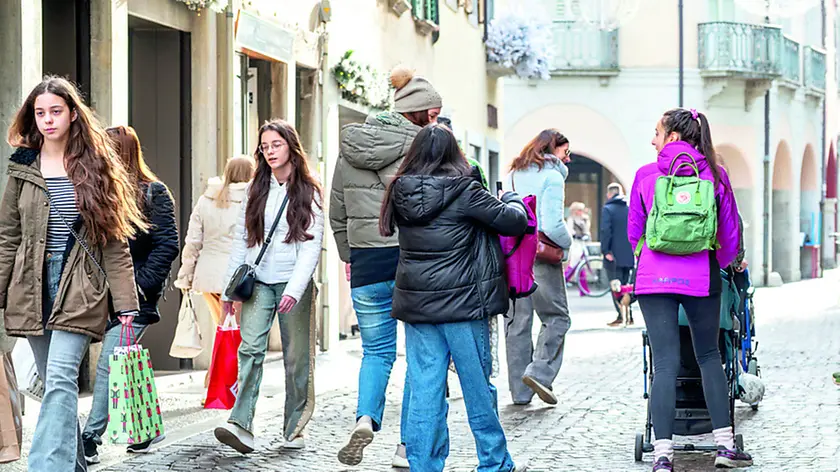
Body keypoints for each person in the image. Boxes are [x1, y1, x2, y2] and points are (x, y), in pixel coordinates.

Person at [0, 77, 144, 472]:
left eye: (55, 111)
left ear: (73, 114)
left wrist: (126, 301)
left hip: (81, 286)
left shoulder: (95, 167)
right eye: (40, 113)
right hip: (32, 287)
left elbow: (115, 243)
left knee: (62, 379)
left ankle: (46, 468)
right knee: (54, 388)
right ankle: (75, 465)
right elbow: (7, 237)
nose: (47, 120)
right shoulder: (22, 167)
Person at [380, 123, 529, 472]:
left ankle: (425, 464)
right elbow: (514, 222)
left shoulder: (399, 191)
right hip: (464, 305)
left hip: (418, 307)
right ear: (454, 154)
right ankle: (493, 462)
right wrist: (512, 197)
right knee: (477, 387)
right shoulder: (466, 191)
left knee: (425, 389)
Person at [330, 66, 442, 468]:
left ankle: (364, 418)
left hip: (365, 262)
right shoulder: (425, 147)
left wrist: (351, 255)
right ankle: (407, 447)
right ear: (423, 114)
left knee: (375, 352)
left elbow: (337, 212)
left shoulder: (350, 147)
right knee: (421, 356)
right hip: (411, 261)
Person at [628, 108, 752, 471]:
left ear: (674, 137)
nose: (652, 140)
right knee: (710, 357)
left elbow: (635, 233)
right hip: (701, 277)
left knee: (664, 363)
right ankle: (725, 447)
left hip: (653, 279)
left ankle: (663, 454)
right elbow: (730, 236)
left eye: (657, 132)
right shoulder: (716, 175)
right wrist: (723, 261)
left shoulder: (645, 175)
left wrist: (650, 258)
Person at [214, 119, 323, 454]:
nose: (270, 151)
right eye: (265, 146)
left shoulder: (309, 190)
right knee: (250, 349)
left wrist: (294, 288)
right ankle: (241, 423)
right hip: (258, 281)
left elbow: (311, 245)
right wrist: (229, 292)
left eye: (276, 144)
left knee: (296, 358)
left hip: (294, 284)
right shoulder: (254, 188)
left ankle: (295, 427)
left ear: (291, 146)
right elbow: (241, 242)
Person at [82, 125, 180, 463]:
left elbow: (168, 245)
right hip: (99, 297)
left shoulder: (154, 192)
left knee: (111, 362)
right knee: (124, 362)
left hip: (136, 297)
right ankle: (146, 430)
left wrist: (140, 285)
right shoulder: (101, 193)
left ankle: (89, 438)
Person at [502, 129, 573, 406]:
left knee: (517, 323)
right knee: (557, 317)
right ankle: (539, 373)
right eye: (565, 153)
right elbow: (552, 224)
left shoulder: (512, 175)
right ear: (551, 150)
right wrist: (569, 245)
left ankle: (520, 393)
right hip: (541, 257)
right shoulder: (552, 177)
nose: (567, 160)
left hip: (512, 255)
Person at [175, 156, 255, 325]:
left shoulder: (206, 200)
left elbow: (193, 242)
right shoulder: (253, 202)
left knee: (222, 326)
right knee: (240, 331)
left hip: (209, 276)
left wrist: (186, 275)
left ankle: (224, 352)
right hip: (241, 277)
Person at [599, 183, 635, 327]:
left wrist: (606, 251)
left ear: (609, 194)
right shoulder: (628, 208)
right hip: (628, 254)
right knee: (627, 286)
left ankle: (621, 316)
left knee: (616, 286)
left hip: (613, 255)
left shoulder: (608, 209)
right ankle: (629, 316)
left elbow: (605, 231)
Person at [566, 202, 590, 268]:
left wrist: (586, 235)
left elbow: (587, 230)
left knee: (583, 261)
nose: (581, 212)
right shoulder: (571, 219)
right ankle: (567, 276)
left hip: (583, 242)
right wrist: (575, 235)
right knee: (575, 260)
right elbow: (570, 230)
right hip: (575, 242)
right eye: (579, 210)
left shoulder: (584, 219)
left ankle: (582, 277)